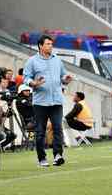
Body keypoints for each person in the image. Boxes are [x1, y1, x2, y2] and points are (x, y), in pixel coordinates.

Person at [23, 35, 72, 167]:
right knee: (40, 131)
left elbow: (63, 75)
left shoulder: (57, 60)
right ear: (40, 45)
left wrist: (66, 79)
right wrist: (33, 83)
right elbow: (26, 78)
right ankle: (42, 159)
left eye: (51, 44)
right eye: (48, 44)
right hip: (40, 102)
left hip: (56, 100)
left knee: (57, 128)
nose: (51, 46)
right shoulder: (32, 61)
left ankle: (58, 155)